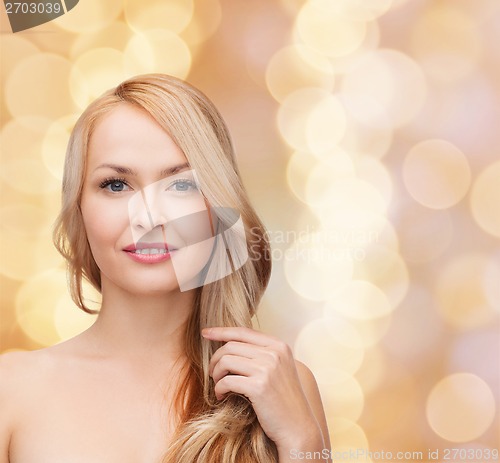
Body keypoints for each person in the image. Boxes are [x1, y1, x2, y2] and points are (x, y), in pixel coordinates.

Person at [0, 74, 331, 463]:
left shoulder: (283, 384)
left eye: (180, 185)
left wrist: (303, 443)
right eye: (117, 185)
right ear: (80, 209)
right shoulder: (12, 388)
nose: (149, 218)